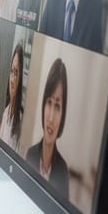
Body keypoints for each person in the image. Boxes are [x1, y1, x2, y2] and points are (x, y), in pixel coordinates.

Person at [25, 57, 70, 194]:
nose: (50, 117)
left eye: (57, 106)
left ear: (63, 114)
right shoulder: (30, 155)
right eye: (49, 102)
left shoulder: (63, 172)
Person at [0, 42, 25, 151]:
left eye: (17, 73)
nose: (12, 79)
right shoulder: (6, 111)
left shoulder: (21, 120)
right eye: (12, 71)